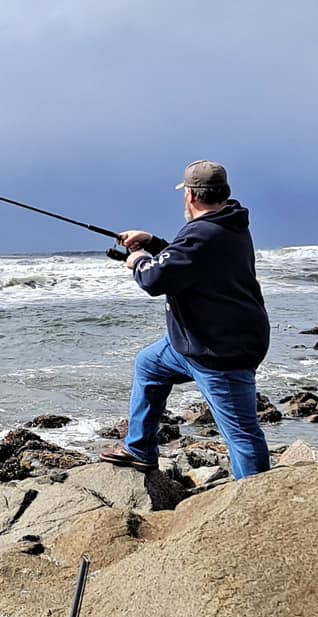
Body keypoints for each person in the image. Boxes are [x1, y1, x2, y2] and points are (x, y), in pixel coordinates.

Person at [99, 160, 272, 479]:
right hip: (194, 341)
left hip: (220, 350)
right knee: (149, 364)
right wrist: (151, 242)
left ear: (190, 195)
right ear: (224, 192)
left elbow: (155, 279)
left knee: (242, 435)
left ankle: (258, 500)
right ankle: (140, 449)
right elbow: (186, 260)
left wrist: (138, 260)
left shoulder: (203, 234)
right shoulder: (229, 222)